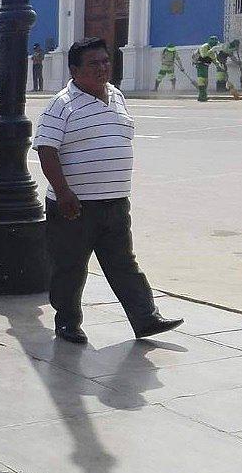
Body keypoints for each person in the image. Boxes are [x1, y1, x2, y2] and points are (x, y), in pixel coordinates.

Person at [34, 37, 184, 345]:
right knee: (70, 267)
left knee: (123, 263)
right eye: (94, 64)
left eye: (105, 61)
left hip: (114, 202)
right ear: (74, 70)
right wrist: (63, 193)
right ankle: (67, 323)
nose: (102, 68)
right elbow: (46, 150)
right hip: (74, 206)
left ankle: (145, 319)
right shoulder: (61, 104)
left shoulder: (116, 95)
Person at [194, 36, 218, 102]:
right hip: (200, 65)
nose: (216, 45)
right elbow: (203, 55)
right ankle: (202, 97)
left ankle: (202, 96)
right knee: (202, 80)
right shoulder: (204, 47)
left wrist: (219, 66)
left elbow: (214, 59)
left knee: (206, 81)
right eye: (215, 43)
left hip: (206, 66)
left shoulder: (211, 49)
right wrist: (211, 50)